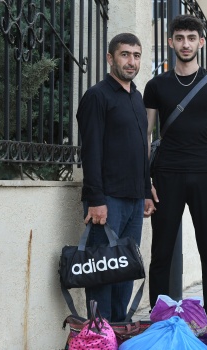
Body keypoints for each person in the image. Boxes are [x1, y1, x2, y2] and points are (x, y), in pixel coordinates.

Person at [143, 15, 207, 323]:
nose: (185, 43)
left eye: (191, 38)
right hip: (166, 175)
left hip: (205, 177)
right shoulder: (156, 85)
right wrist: (146, 180)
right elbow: (145, 133)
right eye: (180, 38)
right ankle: (160, 317)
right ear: (171, 42)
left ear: (200, 42)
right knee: (161, 252)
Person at [76, 33, 155, 322]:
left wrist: (146, 191)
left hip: (134, 201)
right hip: (106, 201)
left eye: (136, 55)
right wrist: (96, 199)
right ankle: (100, 339)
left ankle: (119, 334)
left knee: (125, 271)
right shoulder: (97, 96)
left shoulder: (136, 97)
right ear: (110, 58)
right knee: (101, 273)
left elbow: (140, 149)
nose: (131, 61)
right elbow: (91, 151)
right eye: (125, 54)